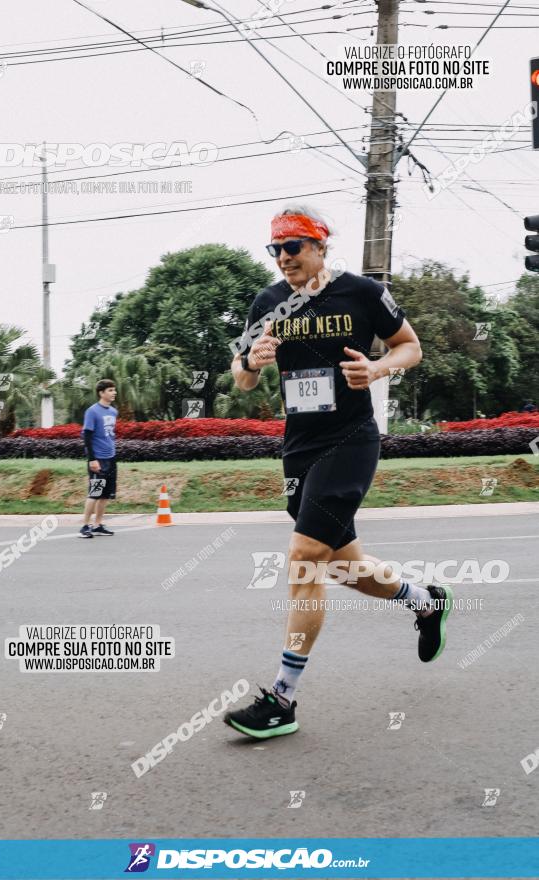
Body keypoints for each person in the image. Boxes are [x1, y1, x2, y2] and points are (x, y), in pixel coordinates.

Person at [224, 205, 453, 739]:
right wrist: (253, 362)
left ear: (320, 247)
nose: (283, 259)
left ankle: (281, 699)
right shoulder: (269, 302)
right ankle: (425, 601)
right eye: (275, 249)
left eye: (293, 247)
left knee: (304, 557)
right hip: (299, 448)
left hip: (350, 441)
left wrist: (376, 368)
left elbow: (410, 347)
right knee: (346, 567)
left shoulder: (363, 294)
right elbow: (241, 378)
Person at [79, 379, 118, 538]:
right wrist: (92, 459)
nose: (114, 393)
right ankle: (85, 526)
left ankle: (98, 525)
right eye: (110, 390)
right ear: (101, 393)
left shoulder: (113, 411)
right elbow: (87, 436)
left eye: (114, 390)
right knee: (94, 494)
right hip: (98, 459)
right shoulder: (92, 411)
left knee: (105, 495)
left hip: (111, 458)